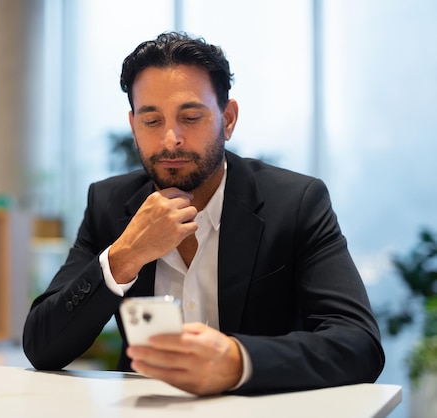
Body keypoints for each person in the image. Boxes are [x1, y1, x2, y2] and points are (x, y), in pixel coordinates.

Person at [22, 31, 385, 395]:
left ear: (227, 119)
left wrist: (238, 360)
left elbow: (358, 343)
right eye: (151, 121)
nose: (170, 139)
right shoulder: (109, 203)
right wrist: (125, 256)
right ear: (134, 127)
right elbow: (42, 348)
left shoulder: (295, 202)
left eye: (191, 117)